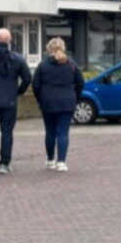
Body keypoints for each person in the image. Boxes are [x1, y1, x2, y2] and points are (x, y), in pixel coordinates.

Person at [0, 28, 33, 174]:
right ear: (9, 41)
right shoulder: (17, 58)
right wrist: (18, 91)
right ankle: (4, 163)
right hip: (9, 101)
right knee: (7, 131)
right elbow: (27, 78)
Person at [32, 37, 85, 172]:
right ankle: (61, 162)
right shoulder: (71, 64)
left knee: (50, 131)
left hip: (48, 102)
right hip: (67, 101)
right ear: (63, 48)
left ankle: (50, 160)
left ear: (48, 49)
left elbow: (35, 84)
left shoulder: (43, 65)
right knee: (63, 132)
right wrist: (74, 96)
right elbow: (80, 82)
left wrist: (40, 98)